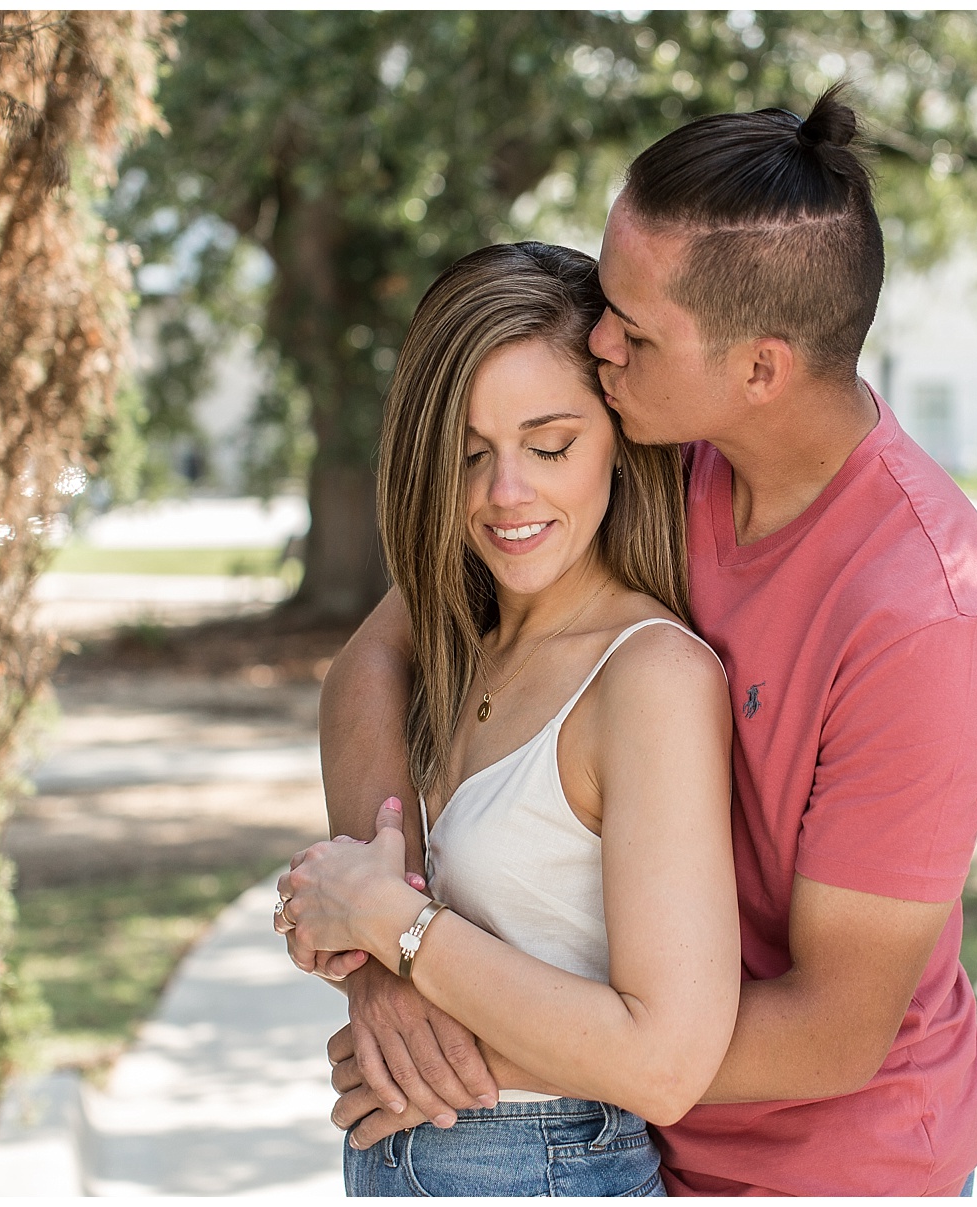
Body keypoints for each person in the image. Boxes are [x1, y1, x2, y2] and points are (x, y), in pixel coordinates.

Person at [300, 86, 977, 1196]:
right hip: (634, 1144)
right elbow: (373, 658)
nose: (598, 341)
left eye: (632, 329)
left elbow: (832, 1032)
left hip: (830, 1172)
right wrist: (389, 976)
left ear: (759, 369)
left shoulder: (924, 620)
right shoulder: (654, 452)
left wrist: (450, 1024)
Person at [274, 241, 739, 1197]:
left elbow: (667, 1062)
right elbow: (358, 670)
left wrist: (395, 926)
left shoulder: (649, 675)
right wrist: (361, 947)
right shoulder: (467, 632)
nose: (505, 493)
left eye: (550, 445)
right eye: (470, 452)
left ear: (618, 434)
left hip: (549, 1164)